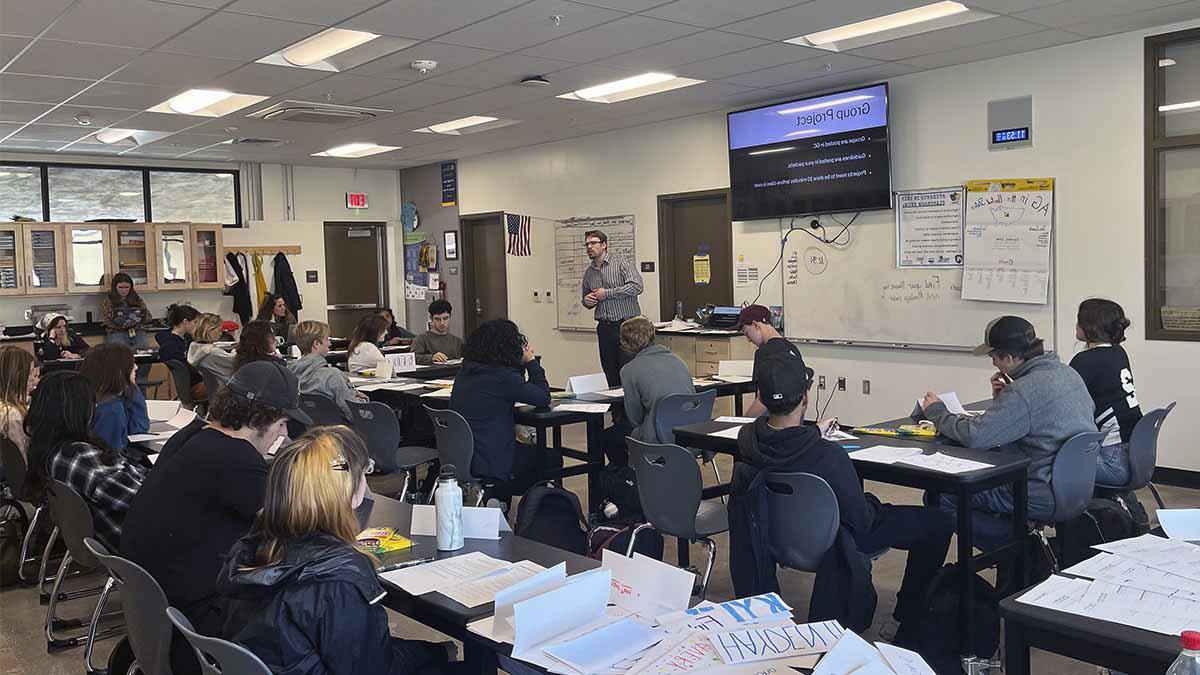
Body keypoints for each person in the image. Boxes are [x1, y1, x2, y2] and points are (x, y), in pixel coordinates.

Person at [731, 353, 954, 644]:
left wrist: (812, 432)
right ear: (806, 398)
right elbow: (860, 522)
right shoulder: (827, 455)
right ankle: (908, 618)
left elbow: (783, 441)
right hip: (832, 543)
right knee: (938, 522)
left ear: (760, 397)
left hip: (773, 537)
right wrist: (872, 502)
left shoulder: (747, 439)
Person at [217, 426, 455, 675]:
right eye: (365, 471)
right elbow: (370, 668)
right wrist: (436, 653)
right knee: (469, 664)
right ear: (350, 492)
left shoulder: (256, 547)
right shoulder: (339, 577)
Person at [121, 361, 307, 675]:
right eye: (282, 423)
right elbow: (298, 525)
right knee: (311, 604)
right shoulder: (236, 460)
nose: (284, 433)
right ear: (261, 418)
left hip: (156, 608)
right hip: (200, 618)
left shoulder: (192, 435)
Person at [920, 316, 1095, 545]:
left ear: (1010, 358)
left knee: (941, 496)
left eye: (994, 357)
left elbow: (977, 436)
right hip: (1078, 487)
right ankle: (1020, 544)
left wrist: (937, 412)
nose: (993, 363)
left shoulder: (1023, 390)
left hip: (1038, 491)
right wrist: (1005, 401)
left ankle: (1014, 549)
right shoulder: (1068, 374)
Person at [24, 371, 146, 551]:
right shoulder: (81, 458)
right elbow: (144, 500)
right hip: (140, 541)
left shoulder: (50, 449)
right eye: (91, 402)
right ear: (77, 409)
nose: (95, 407)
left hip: (121, 534)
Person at [450, 319, 555, 496]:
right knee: (551, 458)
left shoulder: (465, 372)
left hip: (463, 455)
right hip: (493, 458)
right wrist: (530, 361)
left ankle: (500, 499)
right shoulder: (503, 377)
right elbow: (542, 397)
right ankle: (530, 507)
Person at [1071, 299, 1142, 486]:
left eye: (1079, 320)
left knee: (1043, 463)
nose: (1076, 324)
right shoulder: (1118, 352)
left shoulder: (1084, 360)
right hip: (1134, 453)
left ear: (1090, 326)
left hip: (1112, 459)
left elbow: (1062, 402)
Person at [606, 317, 693, 465]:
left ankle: (629, 479)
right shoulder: (678, 360)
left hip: (658, 435)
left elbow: (635, 418)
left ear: (625, 343)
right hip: (690, 432)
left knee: (609, 437)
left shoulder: (629, 370)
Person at [580, 229, 643, 387]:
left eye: (593, 243)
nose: (589, 247)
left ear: (604, 245)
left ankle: (632, 411)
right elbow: (586, 300)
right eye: (586, 244)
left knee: (628, 372)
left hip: (627, 326)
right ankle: (617, 412)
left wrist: (606, 293)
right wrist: (587, 301)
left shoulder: (621, 263)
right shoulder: (589, 272)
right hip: (605, 328)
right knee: (610, 373)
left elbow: (637, 287)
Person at [289, 320, 366, 419]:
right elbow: (355, 413)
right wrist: (363, 400)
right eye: (326, 339)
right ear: (316, 344)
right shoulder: (332, 375)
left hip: (309, 429)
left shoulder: (289, 374)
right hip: (339, 431)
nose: (330, 343)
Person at [80, 344, 149, 451]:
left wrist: (131, 386)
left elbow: (138, 429)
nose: (136, 367)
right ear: (118, 370)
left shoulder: (102, 397)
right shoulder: (110, 409)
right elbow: (110, 457)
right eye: (131, 364)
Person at [737, 304, 802, 418]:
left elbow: (762, 401)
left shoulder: (764, 353)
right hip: (793, 423)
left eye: (747, 333)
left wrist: (743, 422)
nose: (748, 340)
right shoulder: (793, 349)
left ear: (755, 325)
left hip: (768, 425)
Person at [157, 304, 205, 400]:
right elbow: (187, 369)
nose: (197, 326)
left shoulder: (187, 338)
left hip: (197, 382)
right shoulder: (170, 345)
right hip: (193, 387)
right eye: (195, 322)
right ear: (185, 322)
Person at [0, 346, 38, 461]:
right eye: (30, 373)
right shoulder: (12, 415)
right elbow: (22, 462)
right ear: (15, 375)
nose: (33, 379)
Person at [102, 272, 152, 349]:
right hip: (117, 332)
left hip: (137, 331)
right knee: (120, 353)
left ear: (131, 287)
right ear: (115, 287)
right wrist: (122, 325)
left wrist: (140, 319)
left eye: (126, 287)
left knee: (143, 351)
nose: (124, 290)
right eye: (121, 287)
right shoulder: (109, 300)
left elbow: (148, 316)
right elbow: (107, 321)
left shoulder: (137, 299)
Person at [411, 300, 463, 365]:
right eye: (437, 319)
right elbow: (412, 358)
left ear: (450, 317)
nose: (442, 323)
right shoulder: (422, 339)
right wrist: (431, 357)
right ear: (431, 318)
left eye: (445, 318)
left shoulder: (457, 341)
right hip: (432, 374)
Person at [188, 313, 236, 382]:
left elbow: (216, 345)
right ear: (208, 330)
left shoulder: (195, 347)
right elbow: (236, 362)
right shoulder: (213, 352)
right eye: (219, 330)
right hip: (225, 388)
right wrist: (236, 350)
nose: (221, 334)